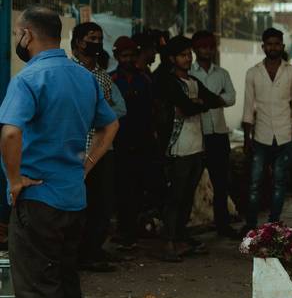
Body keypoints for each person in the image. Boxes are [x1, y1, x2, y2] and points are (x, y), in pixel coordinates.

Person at [0, 5, 118, 298]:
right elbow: (111, 123)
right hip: (72, 196)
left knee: (36, 285)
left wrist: (15, 181)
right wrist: (85, 165)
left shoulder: (28, 78)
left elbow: (10, 135)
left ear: (27, 34)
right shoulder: (83, 77)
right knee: (65, 280)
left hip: (38, 198)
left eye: (19, 34)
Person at [155, 36, 221, 262]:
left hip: (196, 146)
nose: (188, 58)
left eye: (188, 54)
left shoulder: (192, 81)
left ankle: (180, 238)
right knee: (175, 196)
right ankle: (168, 242)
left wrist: (195, 105)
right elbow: (188, 106)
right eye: (183, 55)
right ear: (172, 58)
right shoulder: (169, 82)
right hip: (178, 147)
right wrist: (196, 104)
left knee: (187, 197)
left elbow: (214, 100)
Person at [71, 22, 126, 272]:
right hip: (76, 147)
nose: (96, 42)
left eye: (100, 38)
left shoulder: (103, 76)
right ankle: (77, 254)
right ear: (79, 42)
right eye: (92, 37)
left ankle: (92, 251)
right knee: (78, 204)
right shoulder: (69, 71)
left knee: (102, 203)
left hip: (103, 147)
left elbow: (115, 110)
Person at [242, 28, 292, 231]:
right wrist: (246, 138)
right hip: (260, 136)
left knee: (279, 184)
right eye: (269, 44)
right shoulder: (253, 73)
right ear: (263, 47)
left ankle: (273, 226)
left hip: (285, 135)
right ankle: (251, 226)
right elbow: (248, 107)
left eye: (277, 44)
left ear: (282, 46)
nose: (273, 47)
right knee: (254, 184)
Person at [191, 30, 238, 238]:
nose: (207, 51)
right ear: (195, 49)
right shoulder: (189, 74)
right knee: (190, 182)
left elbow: (232, 98)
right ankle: (183, 226)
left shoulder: (222, 74)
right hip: (196, 134)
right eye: (203, 47)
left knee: (220, 183)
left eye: (210, 47)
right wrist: (217, 99)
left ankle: (222, 226)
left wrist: (211, 101)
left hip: (218, 134)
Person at [110, 36, 156, 248]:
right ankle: (124, 229)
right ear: (117, 56)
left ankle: (135, 228)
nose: (128, 59)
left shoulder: (146, 79)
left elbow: (152, 110)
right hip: (119, 141)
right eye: (124, 56)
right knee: (121, 187)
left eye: (131, 55)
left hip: (143, 140)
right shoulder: (111, 80)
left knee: (139, 187)